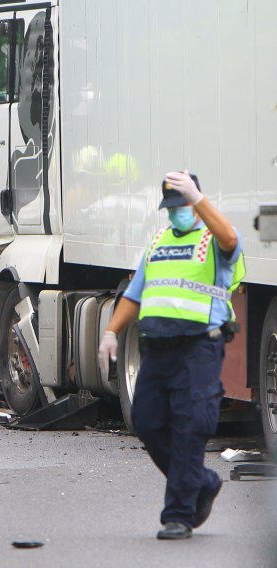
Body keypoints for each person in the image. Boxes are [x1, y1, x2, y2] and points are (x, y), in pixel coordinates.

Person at [98, 171, 245, 540]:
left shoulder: (213, 236)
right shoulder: (159, 241)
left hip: (198, 346)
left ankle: (178, 515)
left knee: (189, 425)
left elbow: (231, 239)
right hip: (157, 346)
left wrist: (198, 198)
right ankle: (202, 482)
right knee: (147, 421)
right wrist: (111, 331)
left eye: (183, 204)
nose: (177, 212)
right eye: (172, 206)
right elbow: (135, 293)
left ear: (195, 202)